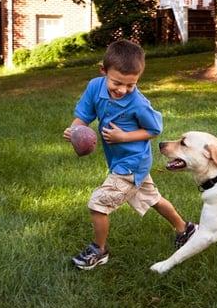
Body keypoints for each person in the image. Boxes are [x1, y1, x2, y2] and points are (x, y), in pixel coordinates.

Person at [63, 39, 196, 270]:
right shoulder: (95, 87)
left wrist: (123, 137)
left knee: (98, 205)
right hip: (122, 161)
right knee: (152, 198)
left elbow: (154, 130)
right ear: (103, 71)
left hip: (132, 164)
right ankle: (186, 229)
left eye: (131, 84)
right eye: (117, 83)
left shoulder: (137, 103)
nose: (123, 90)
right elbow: (83, 116)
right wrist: (76, 131)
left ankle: (99, 250)